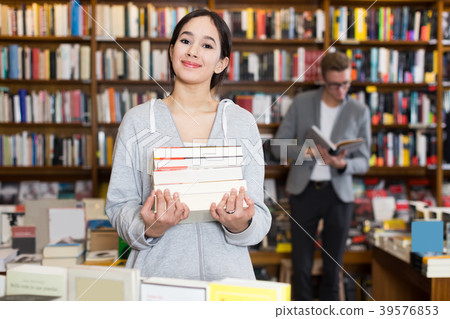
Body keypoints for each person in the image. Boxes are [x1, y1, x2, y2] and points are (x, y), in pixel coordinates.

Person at [106, 9, 271, 281]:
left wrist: (241, 224)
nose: (193, 51)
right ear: (172, 51)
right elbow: (118, 206)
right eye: (185, 41)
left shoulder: (242, 123)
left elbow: (261, 218)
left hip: (228, 285)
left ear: (221, 63)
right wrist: (151, 228)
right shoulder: (137, 121)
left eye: (207, 45)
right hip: (158, 282)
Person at [273, 51, 371, 300]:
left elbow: (364, 162)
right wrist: (309, 152)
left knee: (333, 268)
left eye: (346, 84)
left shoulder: (360, 110)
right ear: (323, 80)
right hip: (304, 192)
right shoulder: (302, 103)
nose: (341, 90)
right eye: (335, 85)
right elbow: (277, 146)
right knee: (302, 267)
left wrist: (342, 164)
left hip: (339, 195)